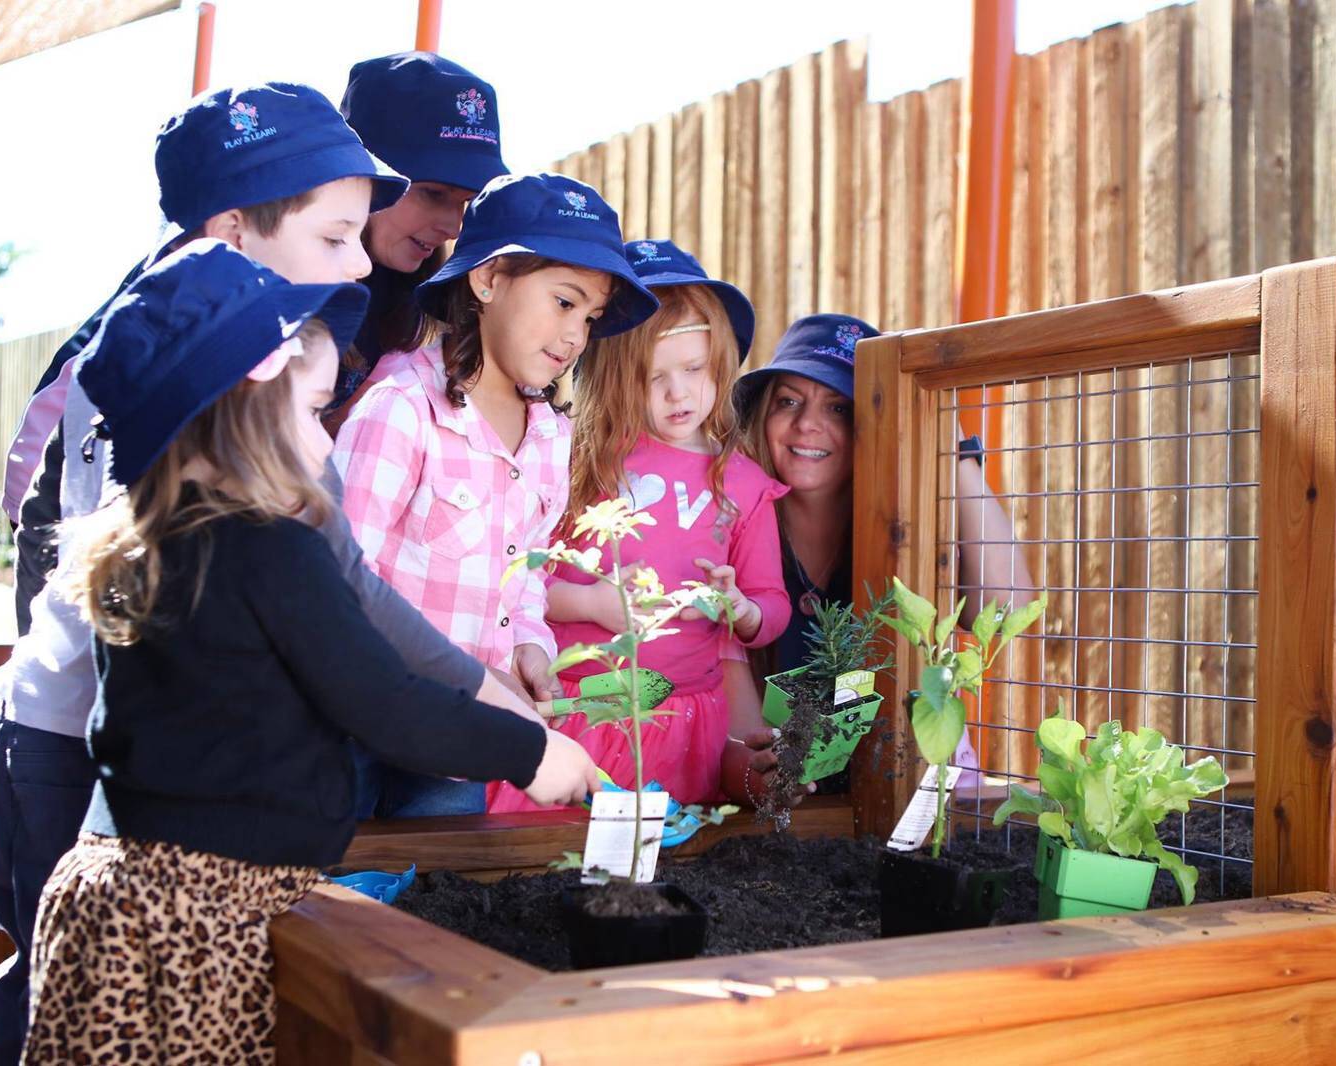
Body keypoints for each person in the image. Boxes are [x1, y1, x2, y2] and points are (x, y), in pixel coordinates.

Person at [0, 83, 474, 1066]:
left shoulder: (268, 359)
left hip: (143, 759)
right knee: (54, 993)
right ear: (233, 232)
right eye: (334, 237)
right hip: (79, 746)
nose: (357, 260)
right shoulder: (153, 362)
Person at [22, 240, 598, 1063]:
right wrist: (531, 751)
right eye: (310, 413)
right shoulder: (269, 549)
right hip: (200, 918)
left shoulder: (151, 544)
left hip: (112, 899)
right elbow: (384, 703)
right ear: (234, 411)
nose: (326, 446)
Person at [332, 173, 659, 817]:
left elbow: (526, 573)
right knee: (337, 873)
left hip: (460, 747)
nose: (575, 336)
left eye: (590, 319)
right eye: (563, 302)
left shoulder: (551, 437)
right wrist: (473, 681)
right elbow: (337, 584)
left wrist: (530, 647)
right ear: (487, 280)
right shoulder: (401, 410)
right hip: (354, 730)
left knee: (445, 875)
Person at [489, 239, 790, 811]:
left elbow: (771, 601)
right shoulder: (578, 462)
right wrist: (591, 603)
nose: (679, 393)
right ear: (616, 376)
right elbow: (516, 579)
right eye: (654, 377)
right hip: (580, 708)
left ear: (720, 363)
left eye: (695, 369)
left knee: (661, 848)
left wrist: (743, 611)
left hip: (684, 719)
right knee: (551, 847)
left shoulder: (744, 484)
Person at [727, 314, 1033, 785]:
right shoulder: (731, 523)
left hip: (901, 792)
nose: (808, 424)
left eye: (838, 408)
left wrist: (951, 446)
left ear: (875, 423)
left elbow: (1008, 610)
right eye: (788, 401)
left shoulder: (905, 530)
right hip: (770, 792)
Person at [330, 52, 511, 416]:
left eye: (465, 202)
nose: (453, 227)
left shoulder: (427, 304)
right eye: (433, 194)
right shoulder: (270, 286)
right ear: (361, 174)